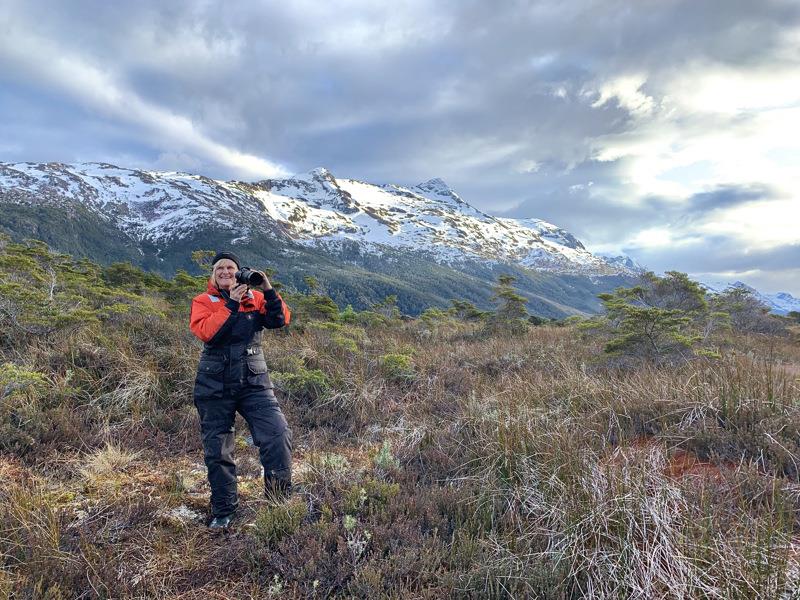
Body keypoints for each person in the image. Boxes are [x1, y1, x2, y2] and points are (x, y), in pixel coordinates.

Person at [189, 251, 292, 529]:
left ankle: (279, 504)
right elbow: (208, 332)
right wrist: (232, 303)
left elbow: (279, 320)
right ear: (212, 274)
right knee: (218, 448)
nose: (225, 271)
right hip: (214, 383)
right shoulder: (203, 301)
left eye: (231, 268)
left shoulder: (255, 299)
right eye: (220, 268)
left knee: (277, 435)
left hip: (254, 381)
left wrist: (267, 288)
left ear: (238, 272)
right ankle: (224, 511)